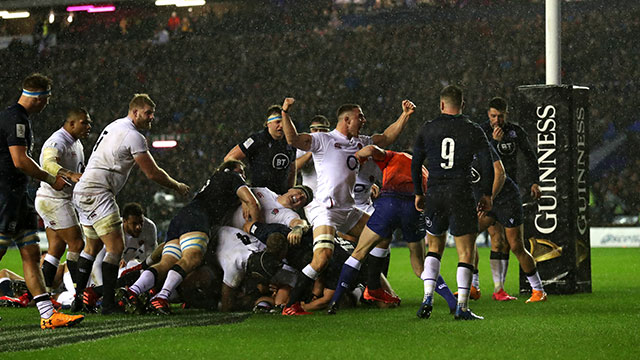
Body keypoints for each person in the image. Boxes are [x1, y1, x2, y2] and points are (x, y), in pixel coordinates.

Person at [280, 96, 415, 315]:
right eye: (359, 116)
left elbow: (387, 137)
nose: (364, 119)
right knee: (322, 258)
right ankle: (291, 304)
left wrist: (405, 116)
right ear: (346, 119)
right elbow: (293, 139)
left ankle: (373, 289)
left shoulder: (361, 141)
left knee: (382, 232)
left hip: (348, 209)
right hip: (326, 209)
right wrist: (285, 113)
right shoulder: (323, 139)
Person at [72, 93, 189, 314]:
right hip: (99, 191)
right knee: (116, 248)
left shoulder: (114, 126)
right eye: (148, 113)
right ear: (135, 112)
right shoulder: (133, 135)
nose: (151, 117)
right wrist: (177, 186)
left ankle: (79, 299)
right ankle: (107, 303)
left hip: (84, 189)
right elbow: (152, 173)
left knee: (92, 247)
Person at [327, 145, 458, 314]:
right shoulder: (423, 170)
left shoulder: (393, 156)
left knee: (358, 253)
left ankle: (335, 302)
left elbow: (371, 150)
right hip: (414, 208)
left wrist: (357, 157)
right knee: (420, 265)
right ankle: (451, 301)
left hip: (390, 204)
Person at [123, 160, 262, 315]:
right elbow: (253, 202)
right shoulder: (231, 176)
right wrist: (254, 227)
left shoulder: (214, 183)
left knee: (167, 262)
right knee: (193, 257)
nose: (244, 175)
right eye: (242, 171)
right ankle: (162, 296)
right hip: (198, 217)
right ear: (233, 170)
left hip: (182, 216)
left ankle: (133, 291)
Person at [0, 73, 84, 329]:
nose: (48, 104)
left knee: (30, 252)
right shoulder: (15, 118)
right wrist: (50, 178)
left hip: (18, 194)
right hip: (6, 194)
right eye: (47, 98)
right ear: (41, 97)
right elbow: (19, 160)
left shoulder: (18, 117)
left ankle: (48, 315)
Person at [411, 85, 494, 321]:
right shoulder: (473, 130)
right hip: (460, 192)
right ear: (463, 105)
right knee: (465, 251)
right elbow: (487, 164)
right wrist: (486, 194)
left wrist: (419, 192)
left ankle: (427, 297)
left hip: (435, 192)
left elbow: (416, 163)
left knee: (434, 248)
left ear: (441, 105)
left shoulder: (428, 128)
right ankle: (462, 307)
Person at [479, 97, 542, 300]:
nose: (497, 120)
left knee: (513, 244)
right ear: (488, 114)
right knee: (492, 240)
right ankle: (492, 289)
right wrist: (493, 143)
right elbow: (480, 160)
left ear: (507, 114)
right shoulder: (481, 133)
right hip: (488, 193)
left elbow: (530, 156)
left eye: (500, 116)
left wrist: (535, 181)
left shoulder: (515, 132)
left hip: (508, 194)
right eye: (493, 116)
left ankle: (537, 289)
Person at [472, 146, 547, 303]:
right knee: (467, 236)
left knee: (516, 246)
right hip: (486, 200)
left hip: (506, 200)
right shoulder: (456, 153)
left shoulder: (482, 145)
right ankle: (473, 286)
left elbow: (501, 174)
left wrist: (489, 198)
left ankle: (538, 290)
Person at [35, 108, 92, 294]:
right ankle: (78, 293)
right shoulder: (57, 141)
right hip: (54, 199)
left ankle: (46, 291)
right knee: (77, 244)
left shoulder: (76, 142)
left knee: (56, 248)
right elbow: (48, 164)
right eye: (84, 122)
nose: (89, 126)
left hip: (53, 199)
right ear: (71, 123)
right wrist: (69, 174)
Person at [224, 104, 297, 195]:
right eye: (278, 122)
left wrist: (289, 192)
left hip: (280, 196)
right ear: (268, 123)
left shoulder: (290, 142)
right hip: (259, 196)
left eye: (284, 122)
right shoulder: (257, 140)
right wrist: (241, 183)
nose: (281, 126)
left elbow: (292, 170)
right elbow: (230, 158)